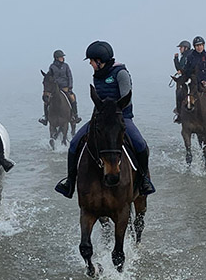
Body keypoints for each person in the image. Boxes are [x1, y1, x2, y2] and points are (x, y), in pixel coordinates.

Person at [55, 41, 156, 198]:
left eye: (91, 61)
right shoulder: (98, 75)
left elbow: (126, 99)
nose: (90, 63)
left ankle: (144, 180)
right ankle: (70, 182)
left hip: (121, 118)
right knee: (74, 144)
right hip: (100, 118)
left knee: (140, 144)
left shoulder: (121, 73)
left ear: (100, 60)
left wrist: (110, 109)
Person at [40, 49, 80, 125]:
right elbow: (50, 77)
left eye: (62, 57)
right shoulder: (52, 67)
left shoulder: (66, 66)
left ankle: (75, 115)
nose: (62, 58)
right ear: (56, 58)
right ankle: (45, 117)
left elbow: (70, 76)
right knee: (46, 101)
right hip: (56, 88)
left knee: (72, 98)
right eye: (61, 57)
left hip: (65, 87)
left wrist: (70, 86)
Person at [172, 39, 193, 122]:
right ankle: (179, 111)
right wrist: (176, 59)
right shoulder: (183, 56)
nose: (180, 49)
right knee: (178, 91)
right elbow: (179, 68)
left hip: (191, 78)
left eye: (181, 47)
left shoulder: (190, 56)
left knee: (179, 92)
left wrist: (183, 71)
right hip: (185, 77)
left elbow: (188, 68)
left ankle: (179, 112)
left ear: (186, 48)